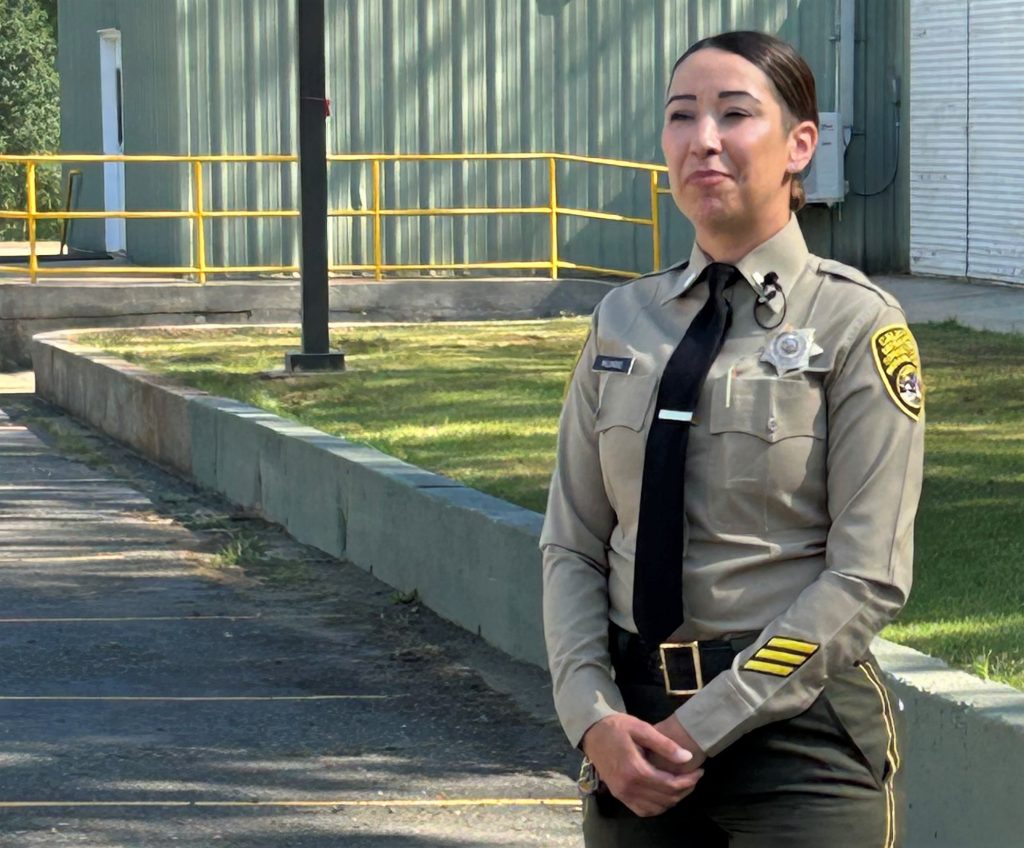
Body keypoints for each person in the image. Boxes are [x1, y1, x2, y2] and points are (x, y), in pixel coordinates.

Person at [541, 30, 924, 848]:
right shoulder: (622, 319)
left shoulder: (856, 323)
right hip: (632, 742)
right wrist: (592, 718)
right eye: (682, 116)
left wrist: (705, 722)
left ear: (800, 145)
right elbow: (571, 543)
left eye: (735, 113)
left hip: (801, 744)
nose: (702, 138)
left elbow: (867, 574)